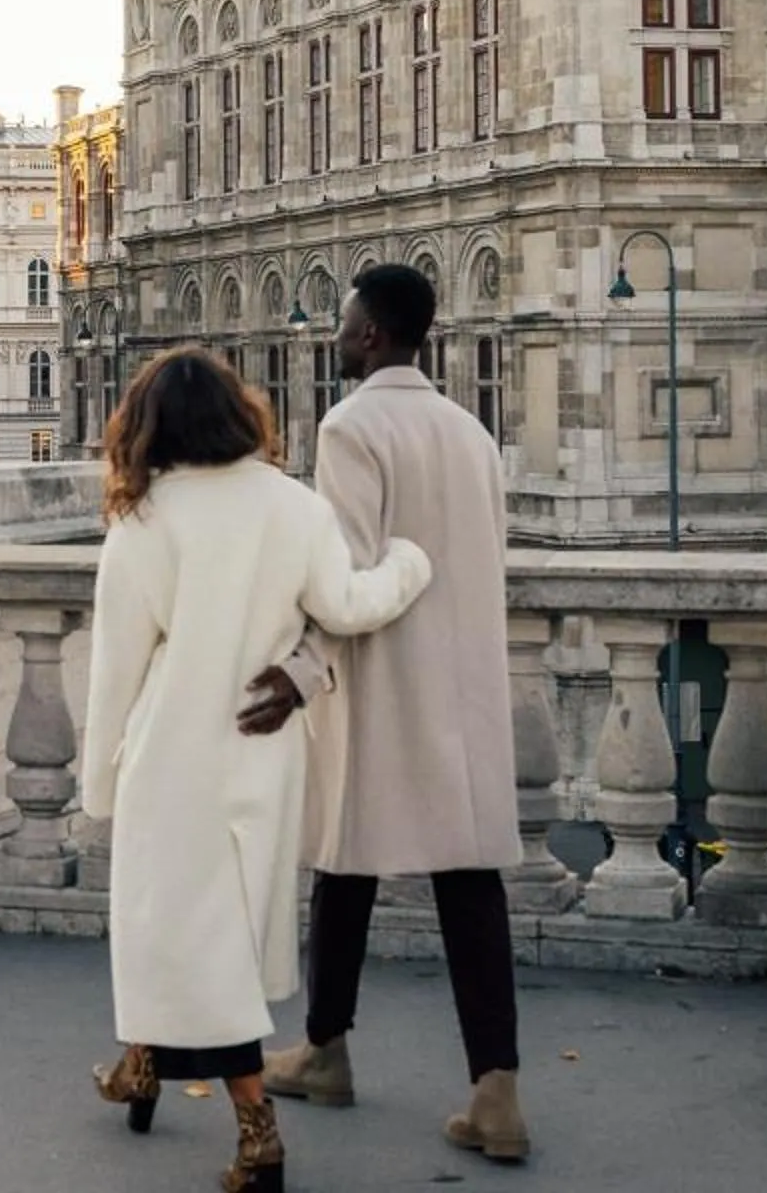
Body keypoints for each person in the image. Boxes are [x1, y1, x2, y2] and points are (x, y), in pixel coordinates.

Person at [80, 346, 435, 1193]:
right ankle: (140, 1064)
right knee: (226, 932)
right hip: (262, 749)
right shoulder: (292, 505)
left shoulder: (146, 522)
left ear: (147, 423)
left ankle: (257, 1134)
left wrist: (98, 782)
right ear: (242, 415)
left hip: (173, 754)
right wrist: (410, 565)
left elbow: (115, 670)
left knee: (170, 930)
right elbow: (347, 608)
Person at [243, 263, 530, 1162]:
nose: (334, 333)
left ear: (371, 335)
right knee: (469, 882)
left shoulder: (351, 425)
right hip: (467, 683)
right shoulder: (470, 432)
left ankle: (326, 1051)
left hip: (381, 683)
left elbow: (348, 575)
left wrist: (300, 671)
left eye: (343, 319)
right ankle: (498, 1092)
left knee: (346, 867)